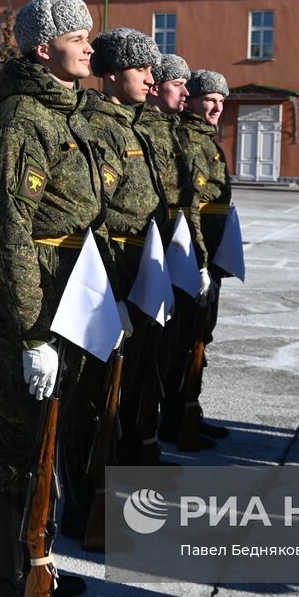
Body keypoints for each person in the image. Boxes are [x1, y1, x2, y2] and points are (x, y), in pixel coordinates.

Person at [0, 0, 103, 597]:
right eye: (78, 36)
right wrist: (31, 334)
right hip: (34, 306)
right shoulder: (22, 121)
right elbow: (6, 234)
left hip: (66, 295)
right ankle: (2, 574)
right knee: (20, 440)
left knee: (48, 436)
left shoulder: (64, 114)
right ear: (41, 46)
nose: (89, 46)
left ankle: (38, 556)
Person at [59, 27, 166, 537]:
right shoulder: (99, 128)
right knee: (90, 399)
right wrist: (109, 294)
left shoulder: (131, 124)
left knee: (121, 393)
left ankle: (115, 498)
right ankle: (82, 508)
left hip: (136, 264)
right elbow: (93, 215)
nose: (151, 78)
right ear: (112, 74)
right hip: (108, 270)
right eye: (140, 69)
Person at [161, 69, 233, 448]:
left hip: (211, 260)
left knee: (200, 339)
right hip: (192, 260)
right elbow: (192, 209)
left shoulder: (208, 141)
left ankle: (192, 410)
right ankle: (174, 417)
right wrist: (200, 263)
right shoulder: (188, 139)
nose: (218, 106)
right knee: (182, 343)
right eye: (210, 99)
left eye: (222, 101)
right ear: (192, 100)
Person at [128, 53, 191, 465]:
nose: (187, 92)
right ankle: (135, 444)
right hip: (138, 254)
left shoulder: (171, 131)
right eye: (177, 83)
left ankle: (147, 440)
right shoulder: (141, 130)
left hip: (165, 249)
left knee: (163, 354)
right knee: (139, 363)